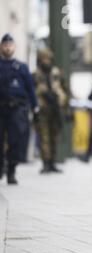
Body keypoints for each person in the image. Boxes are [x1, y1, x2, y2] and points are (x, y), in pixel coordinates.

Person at [0, 34, 38, 185]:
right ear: (1, 47)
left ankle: (11, 171)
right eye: (5, 45)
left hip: (16, 110)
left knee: (16, 141)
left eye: (10, 45)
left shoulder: (21, 67)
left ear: (14, 47)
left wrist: (36, 109)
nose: (8, 48)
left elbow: (30, 89)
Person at [33, 48, 68, 174]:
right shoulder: (36, 74)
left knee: (54, 136)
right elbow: (33, 91)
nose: (46, 62)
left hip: (56, 108)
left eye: (48, 59)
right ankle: (46, 163)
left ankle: (53, 162)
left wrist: (63, 103)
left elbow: (65, 89)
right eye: (43, 59)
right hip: (43, 110)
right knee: (44, 137)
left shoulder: (56, 73)